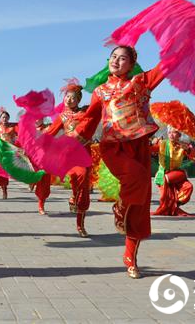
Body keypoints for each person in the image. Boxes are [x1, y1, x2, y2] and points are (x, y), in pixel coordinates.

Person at [75, 45, 166, 279]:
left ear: (132, 63)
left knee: (141, 201)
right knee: (135, 178)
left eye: (122, 58)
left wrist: (182, 45)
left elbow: (165, 67)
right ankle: (119, 208)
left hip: (138, 146)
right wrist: (71, 139)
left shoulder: (140, 82)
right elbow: (89, 121)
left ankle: (131, 257)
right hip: (113, 146)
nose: (116, 61)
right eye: (113, 57)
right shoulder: (100, 91)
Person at [43, 79, 91, 236]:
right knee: (76, 180)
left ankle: (80, 224)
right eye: (67, 97)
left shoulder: (85, 113)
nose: (69, 100)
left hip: (84, 154)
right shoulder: (62, 117)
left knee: (83, 185)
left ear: (78, 100)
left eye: (73, 97)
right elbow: (50, 132)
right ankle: (73, 195)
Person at [151, 128, 195, 216]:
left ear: (179, 135)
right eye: (169, 132)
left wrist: (188, 150)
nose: (171, 134)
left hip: (176, 173)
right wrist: (151, 142)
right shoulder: (162, 143)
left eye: (174, 132)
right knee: (165, 194)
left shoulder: (183, 145)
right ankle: (170, 206)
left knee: (188, 187)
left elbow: (194, 156)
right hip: (163, 174)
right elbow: (149, 149)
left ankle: (175, 204)